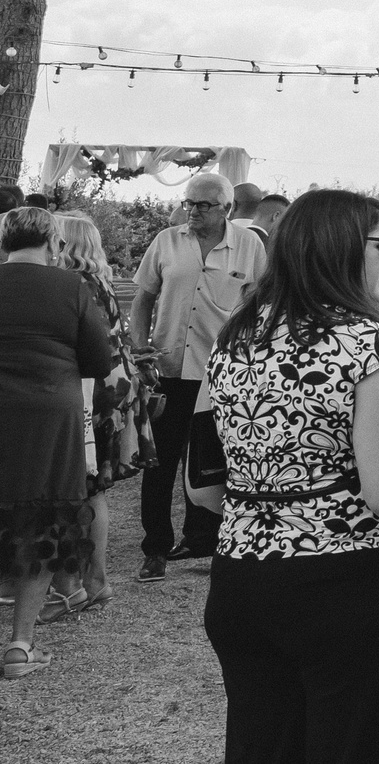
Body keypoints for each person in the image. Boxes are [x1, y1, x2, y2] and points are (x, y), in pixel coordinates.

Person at [201, 189, 379, 754]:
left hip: (241, 582)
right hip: (343, 585)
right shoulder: (362, 341)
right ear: (338, 249)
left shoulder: (234, 336)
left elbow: (203, 486)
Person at [129, 170, 267, 579]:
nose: (192, 211)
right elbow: (143, 300)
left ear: (227, 208)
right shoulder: (166, 242)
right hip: (169, 369)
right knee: (160, 464)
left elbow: (258, 308)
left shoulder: (249, 247)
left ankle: (203, 540)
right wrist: (139, 348)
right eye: (189, 203)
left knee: (212, 462)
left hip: (220, 373)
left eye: (202, 205)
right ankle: (155, 548)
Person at [0, 205, 112, 679]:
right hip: (50, 415)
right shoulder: (72, 287)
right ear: (53, 243)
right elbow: (99, 360)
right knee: (42, 519)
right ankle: (20, 646)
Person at [35, 211, 149, 617]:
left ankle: (84, 583)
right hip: (112, 390)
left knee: (81, 488)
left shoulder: (75, 284)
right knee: (92, 488)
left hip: (91, 394)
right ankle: (89, 582)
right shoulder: (97, 281)